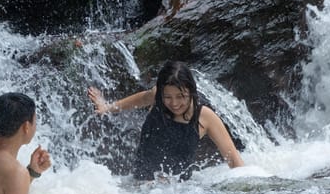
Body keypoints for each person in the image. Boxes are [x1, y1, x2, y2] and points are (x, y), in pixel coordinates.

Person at [87, 61, 244, 180]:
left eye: (181, 97)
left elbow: (235, 162)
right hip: (141, 186)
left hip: (178, 192)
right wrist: (107, 107)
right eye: (167, 97)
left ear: (192, 92)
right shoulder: (157, 96)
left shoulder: (205, 117)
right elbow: (142, 98)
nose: (174, 104)